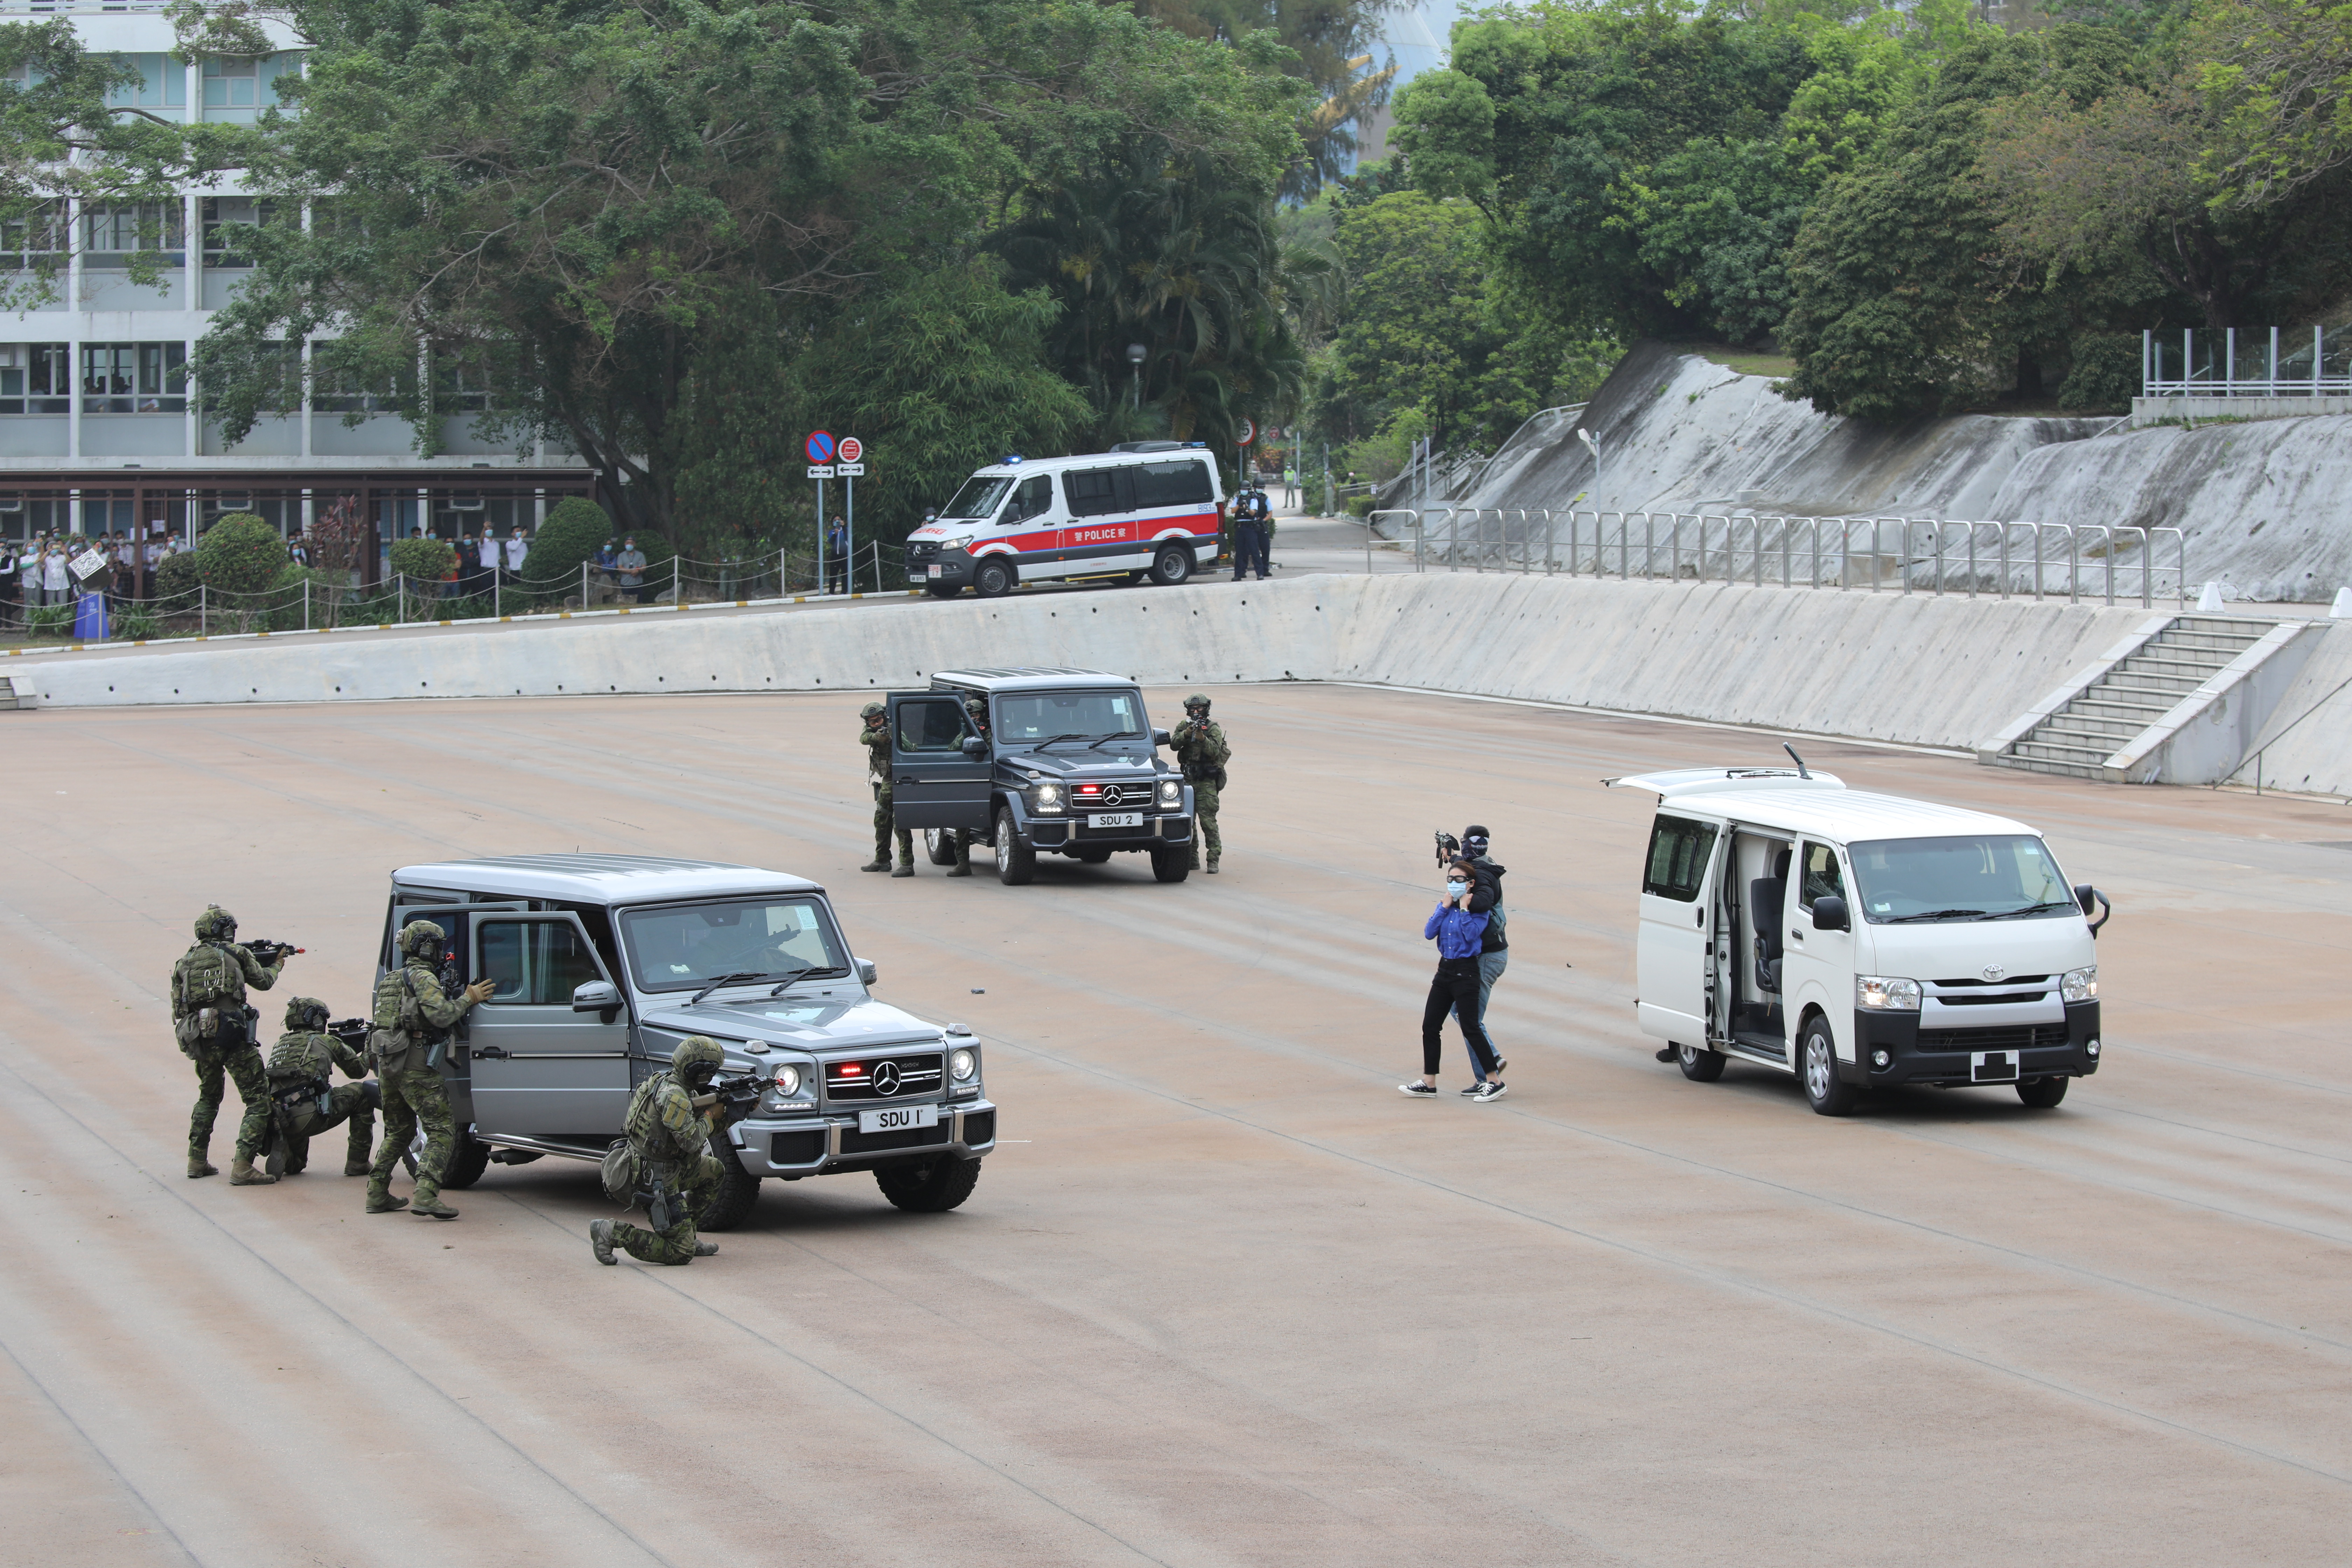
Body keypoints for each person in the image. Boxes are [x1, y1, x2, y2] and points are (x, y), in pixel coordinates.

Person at [366, 919, 495, 1218]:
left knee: (398, 1132)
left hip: (388, 1063)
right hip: (414, 1065)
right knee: (441, 1128)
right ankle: (426, 1193)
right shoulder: (422, 978)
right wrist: (469, 998)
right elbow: (441, 1015)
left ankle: (376, 1192)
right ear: (428, 948)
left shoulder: (391, 980)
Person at [590, 1036, 738, 1266]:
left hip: (670, 1166)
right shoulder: (675, 1096)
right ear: (701, 1071)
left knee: (714, 1171)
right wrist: (711, 1115)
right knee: (679, 1252)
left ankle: (688, 1232)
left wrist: (734, 1115)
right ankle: (612, 1231)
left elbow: (693, 1132)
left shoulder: (672, 1082)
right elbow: (691, 1141)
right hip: (653, 1179)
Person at [172, 905, 290, 1183]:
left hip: (200, 1037)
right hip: (232, 1035)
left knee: (209, 1097)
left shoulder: (184, 961)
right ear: (224, 930)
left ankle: (196, 1160)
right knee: (258, 1101)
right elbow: (264, 982)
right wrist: (277, 964)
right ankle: (242, 1166)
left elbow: (178, 1010)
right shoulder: (237, 953)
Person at [1401, 858, 1507, 1101]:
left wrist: (1463, 908)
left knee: (1471, 1026)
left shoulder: (1478, 909)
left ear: (1470, 884)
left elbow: (1472, 936)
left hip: (1466, 972)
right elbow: (1429, 933)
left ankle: (1494, 1080)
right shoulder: (1446, 906)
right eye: (1450, 879)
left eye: (1459, 880)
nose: (1454, 884)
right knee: (1430, 1026)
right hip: (1445, 971)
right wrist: (1443, 907)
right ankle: (1429, 1082)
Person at [264, 996, 379, 1178]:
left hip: (281, 1119)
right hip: (308, 1115)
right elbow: (359, 1070)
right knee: (363, 1093)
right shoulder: (326, 1041)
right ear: (316, 1019)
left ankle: (285, 1151)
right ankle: (358, 1162)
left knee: (297, 1165)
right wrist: (368, 1047)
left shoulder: (281, 1044)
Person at [1462, 825, 1510, 1069]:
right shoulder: (1484, 867)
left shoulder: (1482, 875)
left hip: (1488, 957)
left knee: (1469, 1019)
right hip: (1491, 955)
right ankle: (1487, 1072)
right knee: (1460, 1011)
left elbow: (1481, 902)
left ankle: (1490, 1066)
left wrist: (1464, 902)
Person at [1170, 693, 1228, 874]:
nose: (1196, 712)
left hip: (1206, 782)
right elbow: (1173, 745)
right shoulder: (1184, 726)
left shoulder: (1213, 729)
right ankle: (1192, 859)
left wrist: (1203, 738)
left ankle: (1213, 860)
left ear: (1207, 709)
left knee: (1208, 822)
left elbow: (1215, 753)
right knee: (1188, 822)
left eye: (1200, 709)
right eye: (1193, 709)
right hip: (1188, 780)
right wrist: (1187, 734)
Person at [859, 700, 914, 876]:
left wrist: (891, 738)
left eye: (879, 721)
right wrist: (876, 736)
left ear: (884, 717)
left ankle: (907, 864)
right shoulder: (872, 731)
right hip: (888, 780)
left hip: (901, 779)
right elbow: (863, 739)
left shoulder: (894, 728)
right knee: (881, 819)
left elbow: (908, 747)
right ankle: (882, 859)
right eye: (872, 722)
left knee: (901, 822)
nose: (876, 724)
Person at [615, 536, 648, 604]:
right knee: (626, 603)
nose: (629, 545)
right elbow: (620, 568)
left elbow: (644, 567)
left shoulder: (640, 555)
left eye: (631, 543)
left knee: (639, 602)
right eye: (627, 543)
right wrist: (632, 571)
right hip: (626, 583)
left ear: (635, 544)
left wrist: (638, 571)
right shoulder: (621, 556)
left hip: (638, 583)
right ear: (625, 544)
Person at [825, 514, 848, 594]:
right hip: (835, 555)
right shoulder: (832, 532)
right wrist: (835, 534)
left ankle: (844, 592)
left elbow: (849, 537)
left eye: (839, 520)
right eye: (835, 520)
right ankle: (831, 592)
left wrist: (844, 527)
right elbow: (831, 542)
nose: (837, 522)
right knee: (833, 574)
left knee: (845, 573)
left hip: (845, 554)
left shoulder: (846, 530)